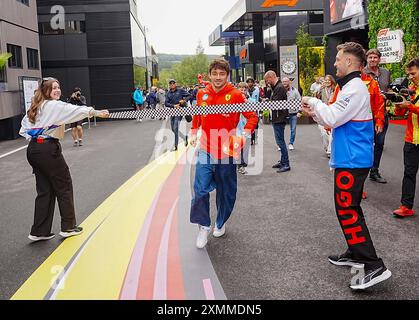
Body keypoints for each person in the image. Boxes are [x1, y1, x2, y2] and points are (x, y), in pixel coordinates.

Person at [301, 42, 391, 290]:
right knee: (348, 209)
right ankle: (356, 253)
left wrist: (312, 101)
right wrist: (315, 112)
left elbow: (331, 116)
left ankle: (374, 265)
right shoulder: (351, 87)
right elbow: (332, 119)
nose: (335, 63)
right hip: (349, 158)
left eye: (339, 59)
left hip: (352, 161)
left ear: (350, 62)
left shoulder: (354, 89)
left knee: (347, 211)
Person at [19, 77, 109, 242]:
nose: (57, 90)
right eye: (53, 88)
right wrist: (95, 112)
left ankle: (39, 231)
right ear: (46, 91)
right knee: (64, 184)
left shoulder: (36, 106)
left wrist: (38, 138)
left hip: (34, 149)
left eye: (58, 87)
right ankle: (68, 227)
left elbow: (24, 129)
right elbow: (74, 110)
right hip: (48, 149)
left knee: (45, 190)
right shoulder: (54, 105)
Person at [189, 59, 258, 248]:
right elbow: (197, 116)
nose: (218, 77)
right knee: (200, 189)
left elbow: (252, 115)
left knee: (226, 191)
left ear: (227, 76)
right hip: (205, 149)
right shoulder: (202, 94)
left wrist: (244, 134)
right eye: (215, 73)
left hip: (227, 150)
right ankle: (203, 226)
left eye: (222, 74)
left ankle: (221, 220)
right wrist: (194, 133)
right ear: (210, 74)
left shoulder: (236, 95)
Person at [392, 58, 419, 217]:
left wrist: (410, 106)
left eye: (413, 73)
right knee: (409, 173)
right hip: (411, 139)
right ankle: (406, 207)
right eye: (408, 74)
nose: (410, 77)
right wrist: (398, 104)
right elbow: (400, 114)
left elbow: (413, 109)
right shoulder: (410, 89)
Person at [364, 48, 392, 184]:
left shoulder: (386, 72)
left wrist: (388, 95)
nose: (372, 60)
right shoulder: (362, 73)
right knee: (366, 144)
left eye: (375, 57)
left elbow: (389, 89)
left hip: (382, 113)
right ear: (366, 59)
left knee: (379, 143)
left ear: (379, 59)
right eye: (370, 58)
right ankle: (362, 171)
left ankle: (374, 171)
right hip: (366, 115)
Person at [264, 70, 290, 173]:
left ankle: (286, 163)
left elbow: (275, 103)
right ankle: (283, 161)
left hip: (279, 118)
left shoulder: (279, 88)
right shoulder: (278, 87)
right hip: (278, 117)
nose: (267, 82)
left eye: (267, 80)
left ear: (271, 77)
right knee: (280, 141)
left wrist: (268, 101)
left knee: (280, 141)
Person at [165, 79, 191, 151]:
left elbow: (189, 95)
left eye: (173, 83)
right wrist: (173, 106)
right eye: (170, 83)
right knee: (173, 129)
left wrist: (184, 100)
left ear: (175, 84)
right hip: (172, 112)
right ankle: (185, 137)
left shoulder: (180, 90)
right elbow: (166, 103)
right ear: (169, 85)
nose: (172, 84)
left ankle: (175, 146)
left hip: (180, 112)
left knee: (175, 128)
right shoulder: (168, 93)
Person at [318, 75, 337, 158]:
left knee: (332, 133)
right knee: (323, 133)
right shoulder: (321, 89)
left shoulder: (336, 89)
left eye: (329, 80)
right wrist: (319, 89)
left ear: (332, 81)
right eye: (326, 80)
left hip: (332, 113)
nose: (327, 82)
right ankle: (327, 148)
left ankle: (330, 150)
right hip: (322, 113)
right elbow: (316, 98)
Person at [282, 77, 301, 150]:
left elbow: (299, 101)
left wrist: (299, 111)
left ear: (289, 82)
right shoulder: (280, 90)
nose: (284, 83)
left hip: (293, 113)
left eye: (286, 81)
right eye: (283, 82)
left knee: (293, 129)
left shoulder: (295, 91)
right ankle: (281, 144)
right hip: (283, 113)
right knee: (281, 129)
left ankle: (291, 143)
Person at [246, 78, 260, 145]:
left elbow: (258, 99)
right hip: (248, 110)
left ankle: (254, 138)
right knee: (249, 124)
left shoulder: (256, 90)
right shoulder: (246, 90)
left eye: (251, 82)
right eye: (248, 82)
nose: (250, 84)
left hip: (255, 109)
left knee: (255, 125)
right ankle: (251, 139)